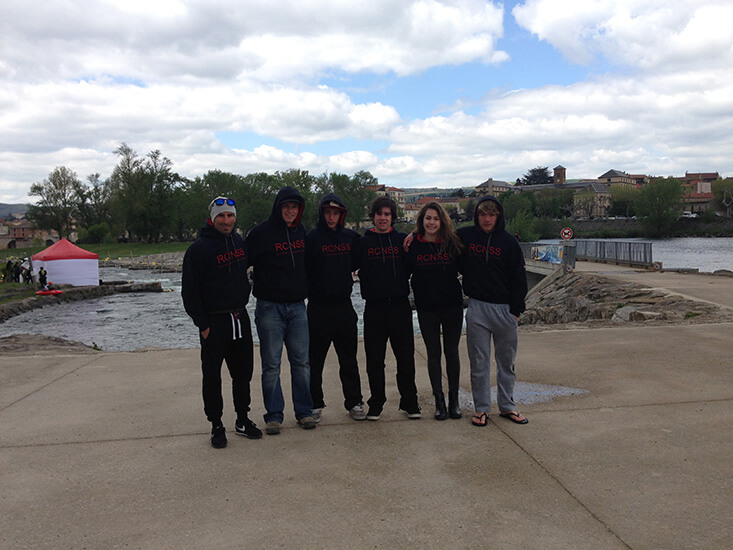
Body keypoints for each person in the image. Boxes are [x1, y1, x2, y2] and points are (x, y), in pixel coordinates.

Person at [182, 196, 262, 449]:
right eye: (221, 216)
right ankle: (216, 424)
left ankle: (242, 418)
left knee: (243, 374)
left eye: (229, 216)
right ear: (212, 218)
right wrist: (202, 325)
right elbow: (189, 291)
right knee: (212, 376)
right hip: (214, 322)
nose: (226, 220)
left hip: (240, 316)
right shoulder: (199, 249)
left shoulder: (239, 242)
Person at [246, 186, 316, 434]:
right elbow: (241, 262)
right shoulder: (260, 233)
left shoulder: (300, 231)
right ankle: (274, 415)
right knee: (271, 365)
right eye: (286, 206)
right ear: (278, 208)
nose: (290, 211)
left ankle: (304, 412)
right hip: (269, 308)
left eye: (294, 207)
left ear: (299, 210)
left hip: (298, 307)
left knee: (301, 363)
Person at [456, 195, 529, 427]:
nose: (487, 219)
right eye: (482, 214)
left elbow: (519, 278)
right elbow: (437, 234)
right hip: (477, 307)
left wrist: (515, 312)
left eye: (491, 214)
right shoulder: (466, 236)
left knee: (506, 362)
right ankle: (481, 409)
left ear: (498, 217)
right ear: (476, 215)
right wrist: (411, 236)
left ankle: (507, 406)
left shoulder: (509, 243)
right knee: (479, 363)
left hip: (505, 310)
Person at [356, 196, 420, 421]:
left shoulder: (403, 240)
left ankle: (410, 402)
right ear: (373, 216)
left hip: (400, 307)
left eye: (387, 214)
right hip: (374, 308)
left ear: (392, 217)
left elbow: (428, 239)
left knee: (406, 358)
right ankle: (376, 403)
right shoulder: (362, 244)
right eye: (379, 214)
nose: (383, 218)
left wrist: (415, 233)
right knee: (374, 360)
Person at [305, 194, 366, 421]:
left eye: (336, 213)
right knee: (315, 360)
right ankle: (314, 404)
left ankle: (354, 402)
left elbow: (365, 256)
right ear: (322, 213)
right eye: (327, 213)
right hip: (318, 308)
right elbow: (304, 270)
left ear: (342, 215)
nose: (331, 217)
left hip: (344, 307)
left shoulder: (350, 238)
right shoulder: (311, 239)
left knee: (348, 359)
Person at [404, 202, 464, 420]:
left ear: (442, 221)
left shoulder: (452, 243)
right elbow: (404, 273)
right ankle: (439, 401)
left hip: (452, 307)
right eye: (428, 218)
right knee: (433, 354)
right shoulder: (413, 246)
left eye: (436, 219)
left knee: (452, 352)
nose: (431, 222)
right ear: (422, 221)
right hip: (427, 308)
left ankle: (454, 400)